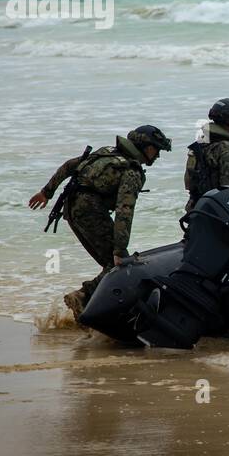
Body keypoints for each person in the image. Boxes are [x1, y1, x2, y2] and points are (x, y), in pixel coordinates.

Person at [28, 125, 172, 315]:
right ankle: (83, 296)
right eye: (156, 149)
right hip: (90, 212)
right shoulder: (132, 171)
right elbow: (124, 209)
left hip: (71, 209)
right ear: (145, 147)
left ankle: (84, 312)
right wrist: (120, 249)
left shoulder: (106, 153)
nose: (157, 155)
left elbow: (69, 166)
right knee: (119, 265)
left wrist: (47, 192)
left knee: (110, 265)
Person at [184, 98, 229, 212]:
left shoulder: (200, 144)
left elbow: (188, 184)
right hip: (219, 213)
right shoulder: (227, 149)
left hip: (197, 209)